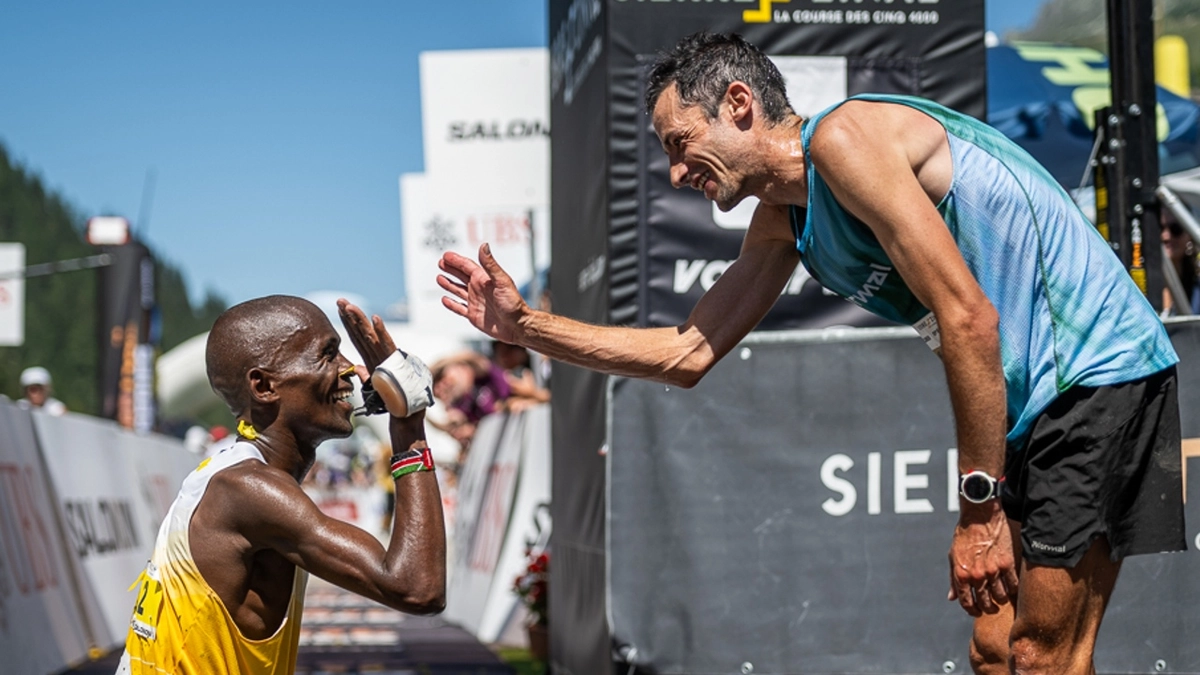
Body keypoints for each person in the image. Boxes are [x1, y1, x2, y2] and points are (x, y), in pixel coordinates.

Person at [437, 31, 1184, 675]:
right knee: (994, 648)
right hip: (1032, 400)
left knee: (1040, 655)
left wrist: (979, 509)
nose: (674, 172)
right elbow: (688, 351)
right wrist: (527, 327)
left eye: (678, 143)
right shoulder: (782, 217)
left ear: (737, 103)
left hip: (1098, 373)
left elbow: (969, 319)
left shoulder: (844, 140)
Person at [116, 296, 446, 675]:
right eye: (328, 355)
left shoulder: (233, 474)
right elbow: (418, 589)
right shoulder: (249, 489)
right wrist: (408, 427)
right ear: (263, 385)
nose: (352, 370)